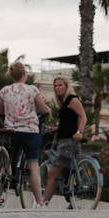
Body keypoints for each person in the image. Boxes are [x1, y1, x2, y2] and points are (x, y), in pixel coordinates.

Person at [0, 62, 51, 205]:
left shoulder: (4, 91)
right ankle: (39, 202)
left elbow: (0, 111)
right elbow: (43, 109)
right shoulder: (32, 90)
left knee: (7, 162)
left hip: (11, 131)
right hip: (29, 132)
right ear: (24, 74)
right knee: (33, 165)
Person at [41, 76, 88, 205]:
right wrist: (55, 129)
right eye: (55, 86)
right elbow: (68, 122)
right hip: (62, 140)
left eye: (60, 85)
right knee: (65, 172)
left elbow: (83, 117)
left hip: (68, 141)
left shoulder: (72, 100)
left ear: (67, 86)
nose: (57, 88)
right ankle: (71, 198)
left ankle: (42, 204)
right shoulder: (63, 102)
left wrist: (80, 132)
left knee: (53, 173)